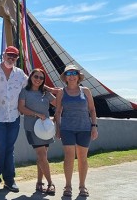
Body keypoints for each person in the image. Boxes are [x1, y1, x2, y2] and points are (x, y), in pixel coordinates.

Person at [0, 45, 27, 193]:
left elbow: (33, 85)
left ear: (16, 58)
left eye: (14, 56)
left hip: (14, 117)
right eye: (9, 55)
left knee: (9, 149)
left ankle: (9, 180)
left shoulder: (20, 74)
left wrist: (53, 91)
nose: (11, 58)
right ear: (3, 55)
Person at [54, 64, 98, 198]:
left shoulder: (86, 91)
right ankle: (67, 186)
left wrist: (94, 126)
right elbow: (58, 111)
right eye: (68, 74)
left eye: (74, 73)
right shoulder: (62, 92)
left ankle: (82, 186)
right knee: (69, 157)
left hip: (84, 128)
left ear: (78, 76)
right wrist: (58, 128)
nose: (71, 76)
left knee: (82, 158)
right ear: (65, 77)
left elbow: (92, 109)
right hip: (67, 128)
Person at [18, 68, 56, 195]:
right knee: (41, 156)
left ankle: (39, 183)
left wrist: (51, 90)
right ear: (31, 77)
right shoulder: (25, 91)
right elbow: (21, 108)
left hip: (45, 129)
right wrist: (37, 114)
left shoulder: (45, 93)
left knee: (42, 157)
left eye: (41, 78)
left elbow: (58, 102)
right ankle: (50, 183)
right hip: (32, 128)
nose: (38, 79)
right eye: (36, 76)